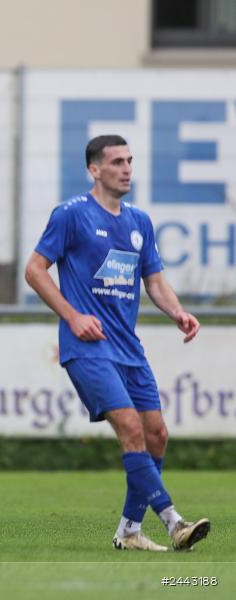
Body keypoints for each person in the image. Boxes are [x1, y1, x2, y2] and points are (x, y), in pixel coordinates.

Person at [25, 135, 210, 552]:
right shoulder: (71, 214)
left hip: (128, 348)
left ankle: (129, 530)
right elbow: (34, 270)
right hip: (88, 348)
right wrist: (73, 316)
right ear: (94, 170)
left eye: (129, 160)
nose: (126, 169)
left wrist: (177, 312)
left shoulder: (139, 221)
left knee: (156, 434)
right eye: (116, 162)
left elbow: (154, 281)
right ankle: (175, 523)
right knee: (129, 427)